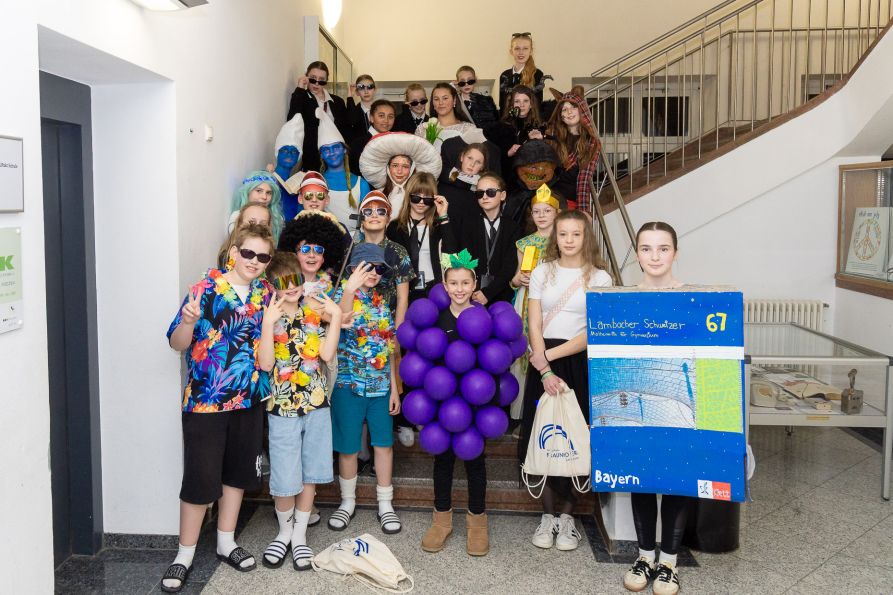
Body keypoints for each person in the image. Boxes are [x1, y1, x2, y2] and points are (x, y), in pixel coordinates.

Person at [160, 223, 275, 593]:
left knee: (237, 474)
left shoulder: (267, 294)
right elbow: (177, 343)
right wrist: (190, 322)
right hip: (206, 401)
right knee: (199, 477)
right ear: (234, 251)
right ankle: (184, 554)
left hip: (249, 398)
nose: (254, 262)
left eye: (263, 257)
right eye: (248, 253)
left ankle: (226, 541)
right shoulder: (205, 288)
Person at [522, 210, 613, 552]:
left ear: (585, 237)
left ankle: (569, 518)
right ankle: (548, 517)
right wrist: (543, 368)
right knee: (540, 434)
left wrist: (550, 360)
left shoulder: (600, 278)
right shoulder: (542, 272)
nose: (570, 240)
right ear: (554, 237)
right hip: (541, 362)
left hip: (576, 363)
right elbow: (534, 321)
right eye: (563, 234)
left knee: (577, 437)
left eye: (576, 234)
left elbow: (594, 332)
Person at [259, 253, 343, 571]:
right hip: (281, 409)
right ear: (272, 286)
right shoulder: (267, 317)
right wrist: (268, 325)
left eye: (294, 279)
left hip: (316, 404)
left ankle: (299, 536)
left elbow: (326, 352)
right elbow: (266, 364)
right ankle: (283, 533)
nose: (290, 286)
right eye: (282, 282)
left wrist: (334, 317)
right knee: (284, 473)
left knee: (311, 472)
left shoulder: (311, 312)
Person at [621, 221, 688, 595]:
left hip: (681, 404)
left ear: (675, 253)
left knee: (678, 479)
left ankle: (670, 563)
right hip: (638, 403)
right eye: (646, 249)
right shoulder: (624, 301)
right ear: (637, 254)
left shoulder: (697, 298)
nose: (655, 256)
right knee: (642, 479)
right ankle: (645, 556)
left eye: (663, 248)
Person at [329, 243, 402, 535]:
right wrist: (349, 289)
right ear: (352, 270)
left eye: (378, 268)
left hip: (381, 386)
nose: (373, 272)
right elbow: (342, 319)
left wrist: (395, 389)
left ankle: (386, 504)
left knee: (383, 444)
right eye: (366, 267)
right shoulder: (339, 296)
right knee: (348, 447)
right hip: (348, 385)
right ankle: (347, 502)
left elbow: (391, 349)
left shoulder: (383, 301)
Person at [421, 249, 489, 557]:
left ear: (474, 284)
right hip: (443, 404)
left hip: (474, 402)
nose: (459, 288)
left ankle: (478, 523)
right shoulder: (435, 318)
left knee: (475, 461)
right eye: (454, 283)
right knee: (443, 460)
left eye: (465, 282)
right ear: (445, 286)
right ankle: (442, 519)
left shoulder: (484, 317)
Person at [508, 184, 559, 421]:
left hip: (554, 302)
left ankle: (551, 408)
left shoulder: (563, 241)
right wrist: (519, 279)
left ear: (556, 214)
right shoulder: (524, 243)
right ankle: (523, 413)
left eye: (546, 211)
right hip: (527, 301)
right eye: (537, 211)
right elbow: (516, 278)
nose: (541, 216)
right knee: (525, 350)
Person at [453, 172, 520, 305]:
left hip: (502, 295)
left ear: (503, 195)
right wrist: (473, 291)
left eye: (490, 192)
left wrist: (488, 293)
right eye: (479, 193)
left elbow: (510, 266)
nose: (484, 196)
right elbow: (465, 260)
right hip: (472, 294)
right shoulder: (467, 224)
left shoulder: (513, 227)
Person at [386, 172, 455, 300]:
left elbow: (451, 256)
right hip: (406, 290)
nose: (421, 202)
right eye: (416, 197)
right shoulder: (395, 228)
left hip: (436, 287)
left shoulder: (439, 225)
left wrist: (443, 216)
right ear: (408, 196)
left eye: (427, 198)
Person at [355, 190, 415, 327]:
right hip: (357, 326)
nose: (374, 215)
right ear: (361, 219)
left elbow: (402, 298)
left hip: (388, 325)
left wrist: (397, 338)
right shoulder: (352, 251)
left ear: (388, 218)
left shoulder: (398, 251)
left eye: (381, 211)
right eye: (368, 212)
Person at [359, 132, 442, 219]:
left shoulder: (420, 198)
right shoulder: (378, 195)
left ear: (412, 169)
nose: (399, 171)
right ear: (388, 168)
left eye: (405, 166)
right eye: (395, 165)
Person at [316, 108, 371, 234]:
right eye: (326, 150)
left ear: (344, 150)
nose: (332, 153)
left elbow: (366, 220)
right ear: (322, 155)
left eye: (336, 147)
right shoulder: (317, 183)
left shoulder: (360, 183)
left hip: (355, 245)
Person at [287, 61, 349, 172]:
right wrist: (300, 87)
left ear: (326, 82)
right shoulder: (302, 97)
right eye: (312, 79)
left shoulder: (338, 102)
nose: (316, 83)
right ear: (306, 77)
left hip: (335, 158)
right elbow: (292, 120)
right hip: (312, 157)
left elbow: (344, 130)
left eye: (321, 81)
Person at [546, 90, 600, 213]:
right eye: (564, 109)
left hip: (569, 203)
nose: (569, 112)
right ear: (561, 115)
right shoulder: (552, 138)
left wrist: (583, 211)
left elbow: (584, 178)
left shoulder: (591, 142)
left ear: (581, 109)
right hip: (546, 199)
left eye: (573, 107)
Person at [490, 86, 545, 186]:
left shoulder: (539, 128)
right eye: (517, 101)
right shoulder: (500, 128)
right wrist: (507, 153)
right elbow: (492, 157)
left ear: (531, 104)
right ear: (511, 105)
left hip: (531, 181)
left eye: (525, 101)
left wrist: (537, 142)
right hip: (507, 181)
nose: (522, 105)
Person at [415, 83, 483, 151]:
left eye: (445, 98)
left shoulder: (468, 129)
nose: (440, 103)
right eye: (436, 99)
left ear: (454, 100)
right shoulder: (422, 129)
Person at [228, 170, 284, 242]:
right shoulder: (237, 217)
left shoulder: (277, 219)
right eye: (259, 191)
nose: (264, 197)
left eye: (269, 193)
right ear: (247, 192)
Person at [270, 114, 305, 221]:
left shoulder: (298, 184)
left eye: (294, 151)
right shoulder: (267, 178)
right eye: (284, 150)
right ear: (277, 153)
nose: (289, 155)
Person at [498, 32, 545, 111]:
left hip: (529, 121)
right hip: (509, 121)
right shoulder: (504, 75)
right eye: (517, 48)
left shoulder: (537, 74)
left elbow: (537, 105)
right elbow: (502, 104)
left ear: (531, 51)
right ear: (511, 51)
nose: (521, 52)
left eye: (525, 48)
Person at [217, 203, 272, 270]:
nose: (257, 227)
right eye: (252, 222)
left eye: (263, 224)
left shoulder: (270, 256)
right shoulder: (227, 255)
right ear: (239, 224)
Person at [348, 99, 396, 172]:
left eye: (390, 116)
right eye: (381, 116)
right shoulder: (357, 144)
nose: (386, 120)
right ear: (371, 118)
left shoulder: (397, 141)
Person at [454, 66, 499, 130]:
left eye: (470, 81)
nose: (466, 84)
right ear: (457, 82)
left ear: (475, 80)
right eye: (462, 82)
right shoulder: (454, 102)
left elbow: (495, 124)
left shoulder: (487, 101)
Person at [346, 74, 379, 141]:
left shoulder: (382, 110)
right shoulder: (354, 112)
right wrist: (350, 97)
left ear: (375, 90)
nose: (366, 91)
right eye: (361, 87)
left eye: (370, 87)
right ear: (357, 92)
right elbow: (351, 120)